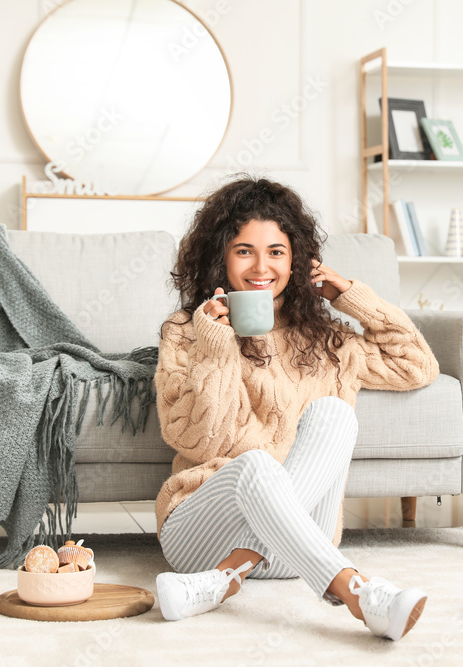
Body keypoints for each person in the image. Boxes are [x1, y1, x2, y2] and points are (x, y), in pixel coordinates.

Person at [153, 176, 440, 640]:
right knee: (258, 466)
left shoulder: (326, 339)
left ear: (297, 261)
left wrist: (349, 295)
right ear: (220, 256)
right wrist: (218, 347)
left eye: (277, 252)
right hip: (199, 533)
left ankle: (225, 579)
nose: (260, 266)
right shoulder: (188, 331)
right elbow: (194, 440)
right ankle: (359, 594)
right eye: (244, 250)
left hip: (296, 542)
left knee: (336, 415)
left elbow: (417, 364)